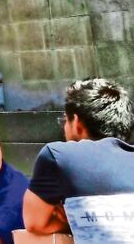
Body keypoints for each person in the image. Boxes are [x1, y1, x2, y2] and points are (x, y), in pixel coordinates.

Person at [23, 77, 134, 235]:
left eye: (64, 120)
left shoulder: (58, 155)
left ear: (75, 121)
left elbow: (35, 223)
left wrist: (76, 219)